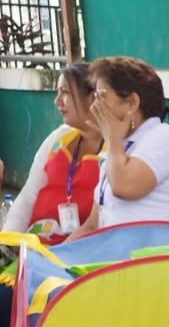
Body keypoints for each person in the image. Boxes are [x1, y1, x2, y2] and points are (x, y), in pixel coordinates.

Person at [78, 57, 169, 230]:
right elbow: (92, 225)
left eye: (102, 96)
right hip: (125, 245)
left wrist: (112, 138)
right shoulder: (119, 148)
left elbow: (124, 187)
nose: (94, 107)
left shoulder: (163, 136)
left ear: (132, 103)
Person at [5, 65, 103, 237]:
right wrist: (9, 238)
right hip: (36, 241)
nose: (57, 101)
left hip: (84, 246)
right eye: (58, 93)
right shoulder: (59, 139)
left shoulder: (115, 151)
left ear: (92, 97)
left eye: (65, 93)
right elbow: (28, 197)